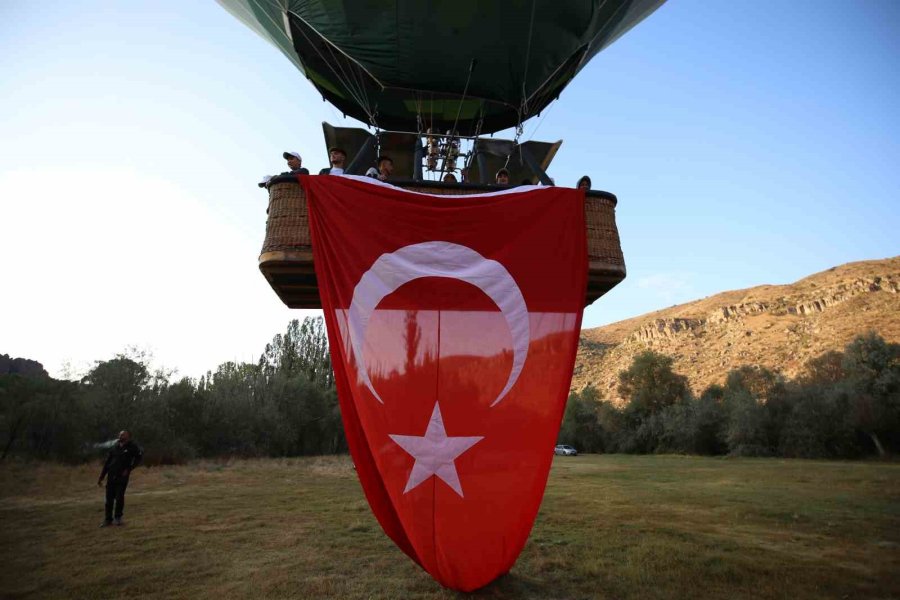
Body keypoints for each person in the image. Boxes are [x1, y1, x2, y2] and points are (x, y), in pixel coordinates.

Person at [97, 430, 143, 527]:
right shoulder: (115, 447)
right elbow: (107, 462)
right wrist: (101, 476)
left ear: (128, 436)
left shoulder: (132, 447)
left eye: (123, 434)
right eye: (120, 434)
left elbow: (139, 457)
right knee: (108, 499)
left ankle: (118, 518)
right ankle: (108, 519)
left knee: (119, 497)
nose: (120, 436)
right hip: (111, 475)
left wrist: (129, 468)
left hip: (122, 476)